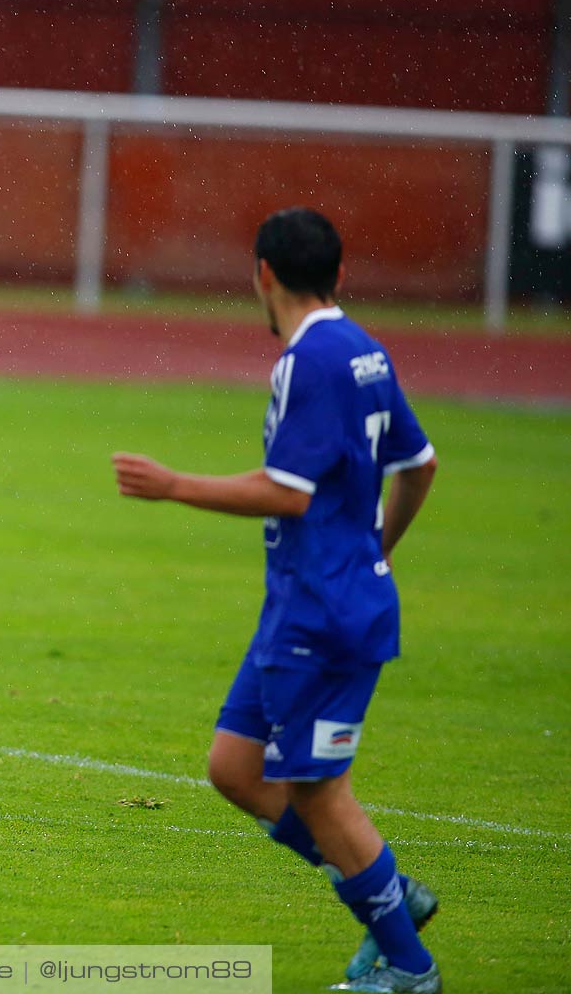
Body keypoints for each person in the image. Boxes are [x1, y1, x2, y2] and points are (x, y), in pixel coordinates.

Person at [111, 208, 441, 993]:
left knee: (319, 792)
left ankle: (407, 961)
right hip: (304, 603)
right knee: (234, 766)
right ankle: (389, 896)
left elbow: (286, 495)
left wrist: (173, 486)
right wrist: (376, 549)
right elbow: (421, 464)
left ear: (262, 273)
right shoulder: (363, 348)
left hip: (323, 617)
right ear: (339, 272)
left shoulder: (312, 361)